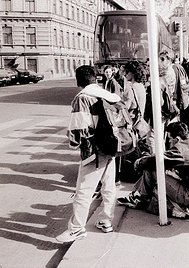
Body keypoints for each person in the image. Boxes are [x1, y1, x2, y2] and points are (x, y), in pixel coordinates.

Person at [56, 65, 120, 243]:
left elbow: (79, 129)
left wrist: (73, 142)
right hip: (111, 145)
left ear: (79, 80)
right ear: (95, 78)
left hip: (94, 150)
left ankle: (76, 228)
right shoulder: (106, 94)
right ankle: (106, 221)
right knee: (109, 186)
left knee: (84, 190)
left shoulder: (82, 98)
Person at [117, 122, 189, 219]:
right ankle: (138, 194)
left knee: (152, 169)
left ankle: (142, 198)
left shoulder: (180, 149)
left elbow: (156, 161)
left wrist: (139, 162)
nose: (169, 142)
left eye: (170, 139)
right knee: (157, 169)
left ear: (177, 139)